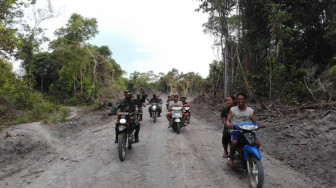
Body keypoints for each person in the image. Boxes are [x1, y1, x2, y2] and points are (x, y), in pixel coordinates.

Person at [226, 92, 264, 166]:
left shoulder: (250, 110)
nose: (240, 101)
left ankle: (252, 156)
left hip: (248, 131)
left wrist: (259, 125)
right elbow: (228, 119)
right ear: (236, 100)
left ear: (245, 100)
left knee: (257, 143)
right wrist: (228, 124)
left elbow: (255, 121)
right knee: (234, 142)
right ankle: (231, 158)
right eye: (239, 99)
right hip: (236, 130)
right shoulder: (233, 109)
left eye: (242, 99)